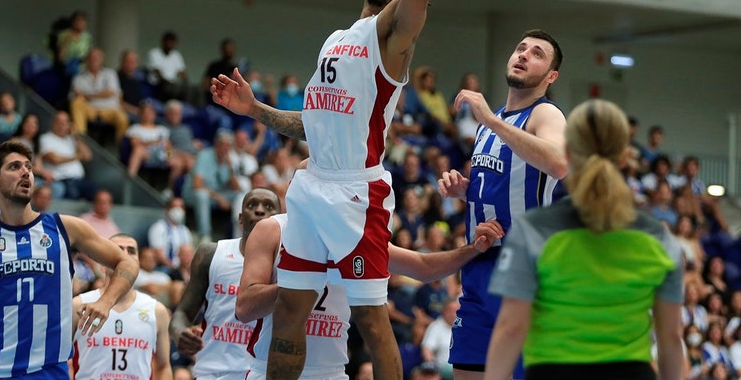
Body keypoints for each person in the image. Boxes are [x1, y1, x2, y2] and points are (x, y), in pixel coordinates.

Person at [211, 0, 473, 380]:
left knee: (372, 319)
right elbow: (310, 122)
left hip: (358, 191)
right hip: (311, 188)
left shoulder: (394, 38)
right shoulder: (337, 39)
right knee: (290, 308)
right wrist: (254, 107)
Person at [483, 99, 684, 380]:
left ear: (567, 151)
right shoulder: (659, 239)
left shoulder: (534, 230)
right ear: (625, 157)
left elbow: (510, 329)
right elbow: (671, 338)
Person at [0, 139, 140, 379]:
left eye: (28, 166)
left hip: (46, 371)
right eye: (14, 167)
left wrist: (106, 301)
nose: (26, 171)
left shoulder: (65, 228)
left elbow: (127, 262)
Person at [437, 28, 567, 380]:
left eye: (537, 53)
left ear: (551, 76)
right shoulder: (491, 121)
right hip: (478, 265)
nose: (524, 55)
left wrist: (491, 121)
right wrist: (465, 191)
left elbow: (558, 163)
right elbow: (511, 182)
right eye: (521, 48)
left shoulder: (545, 114)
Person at [235, 211, 503, 380]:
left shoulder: (354, 237)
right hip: (269, 369)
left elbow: (423, 266)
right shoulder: (273, 229)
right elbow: (245, 308)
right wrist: (301, 280)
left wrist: (473, 249)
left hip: (332, 373)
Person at [168, 188, 281, 380]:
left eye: (269, 207)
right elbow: (181, 314)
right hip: (213, 372)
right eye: (252, 205)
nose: (260, 210)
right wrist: (180, 333)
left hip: (262, 373)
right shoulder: (211, 254)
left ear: (281, 220)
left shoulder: (289, 264)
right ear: (239, 218)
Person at [71, 233, 172, 380]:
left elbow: (163, 367)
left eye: (131, 251)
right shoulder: (79, 304)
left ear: (138, 263)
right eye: (118, 249)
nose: (125, 256)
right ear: (101, 263)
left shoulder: (157, 310)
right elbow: (59, 360)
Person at [70, 47, 130, 144]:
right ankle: (81, 141)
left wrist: (87, 96)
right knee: (76, 103)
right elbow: (76, 96)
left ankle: (121, 150)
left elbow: (110, 92)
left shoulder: (110, 73)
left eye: (96, 58)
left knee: (123, 118)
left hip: (110, 109)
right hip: (90, 109)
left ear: (102, 60)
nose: (94, 60)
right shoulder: (79, 78)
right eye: (91, 58)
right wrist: (100, 94)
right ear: (87, 60)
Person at [147, 31, 189, 103]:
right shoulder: (154, 53)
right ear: (163, 42)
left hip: (172, 85)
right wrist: (169, 83)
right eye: (168, 42)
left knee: (186, 88)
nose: (170, 45)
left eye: (172, 43)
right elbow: (157, 72)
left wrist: (185, 81)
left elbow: (181, 72)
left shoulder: (176, 55)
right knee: (168, 87)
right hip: (158, 84)